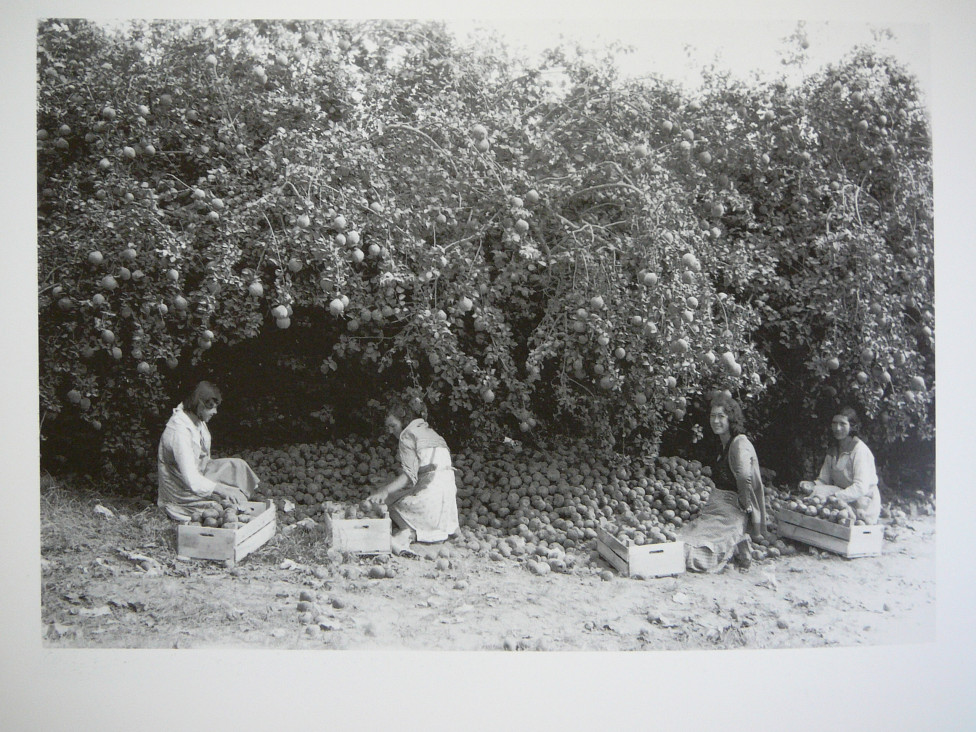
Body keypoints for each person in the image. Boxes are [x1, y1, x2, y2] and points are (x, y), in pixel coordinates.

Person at [679, 393, 766, 572]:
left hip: (732, 508)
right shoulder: (725, 443)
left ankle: (739, 542)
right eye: (712, 416)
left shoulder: (739, 443)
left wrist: (744, 502)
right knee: (689, 536)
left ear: (731, 419)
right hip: (717, 507)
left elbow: (743, 476)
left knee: (704, 548)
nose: (715, 421)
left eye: (721, 416)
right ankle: (739, 544)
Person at [157, 381, 260, 522]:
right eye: (211, 408)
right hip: (182, 487)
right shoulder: (179, 431)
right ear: (199, 405)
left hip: (201, 471)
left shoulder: (197, 418)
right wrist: (222, 489)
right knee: (216, 508)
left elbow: (205, 457)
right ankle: (234, 503)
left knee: (238, 466)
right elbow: (191, 479)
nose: (215, 412)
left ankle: (241, 500)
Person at [367, 404, 459, 550]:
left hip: (431, 494)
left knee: (388, 505)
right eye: (388, 428)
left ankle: (411, 532)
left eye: (393, 426)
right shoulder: (429, 432)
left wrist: (384, 490)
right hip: (448, 496)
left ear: (403, 420)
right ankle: (447, 528)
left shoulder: (407, 435)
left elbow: (409, 476)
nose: (391, 431)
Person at [799, 407, 881, 524]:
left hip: (862, 503)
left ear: (852, 426)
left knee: (822, 497)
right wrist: (811, 485)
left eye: (843, 424)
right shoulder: (833, 450)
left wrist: (834, 497)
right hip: (841, 497)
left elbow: (860, 488)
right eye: (834, 423)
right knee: (815, 493)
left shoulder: (859, 451)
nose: (837, 428)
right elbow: (824, 480)